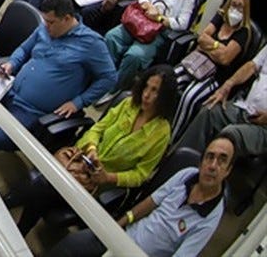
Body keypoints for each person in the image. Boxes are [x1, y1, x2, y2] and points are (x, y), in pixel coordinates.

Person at [9, 65, 176, 237]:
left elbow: (140, 175)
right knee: (44, 186)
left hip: (100, 185)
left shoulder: (161, 134)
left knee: (42, 185)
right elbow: (97, 129)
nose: (146, 95)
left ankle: (17, 220)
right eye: (146, 86)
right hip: (82, 162)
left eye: (155, 91)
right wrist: (92, 149)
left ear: (165, 97)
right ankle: (19, 228)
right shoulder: (128, 104)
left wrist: (108, 177)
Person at [0, 0, 117, 163]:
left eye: (51, 22)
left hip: (31, 111)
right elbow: (24, 49)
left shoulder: (92, 44)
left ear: (67, 19)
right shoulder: (46, 28)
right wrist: (11, 64)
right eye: (45, 21)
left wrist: (79, 102)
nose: (46, 26)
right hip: (9, 90)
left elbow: (109, 78)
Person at [47, 135, 233, 257]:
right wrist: (118, 225)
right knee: (69, 247)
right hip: (124, 235)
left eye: (222, 160)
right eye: (210, 157)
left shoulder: (211, 216)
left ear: (228, 171)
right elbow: (150, 203)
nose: (213, 165)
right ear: (202, 162)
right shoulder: (187, 174)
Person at [104, 0, 199, 93]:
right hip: (140, 21)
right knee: (111, 37)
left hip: (157, 32)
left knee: (134, 56)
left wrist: (160, 17)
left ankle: (114, 88)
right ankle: (104, 77)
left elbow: (182, 23)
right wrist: (148, 6)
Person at [171, 0, 254, 141]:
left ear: (246, 10)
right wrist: (217, 47)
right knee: (169, 80)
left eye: (240, 7)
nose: (235, 9)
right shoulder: (220, 17)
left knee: (189, 98)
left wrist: (208, 46)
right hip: (195, 63)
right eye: (233, 4)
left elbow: (225, 59)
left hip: (215, 76)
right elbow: (201, 37)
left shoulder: (244, 32)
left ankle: (172, 138)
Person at [177, 35, 267, 160]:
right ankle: (180, 163)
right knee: (209, 110)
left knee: (229, 135)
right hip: (245, 108)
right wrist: (228, 84)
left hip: (263, 128)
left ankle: (207, 176)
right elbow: (252, 66)